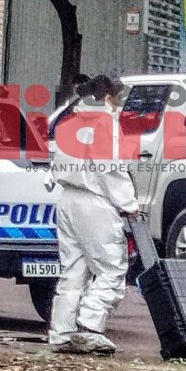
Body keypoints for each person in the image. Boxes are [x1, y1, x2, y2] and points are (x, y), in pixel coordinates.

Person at [47, 74, 138, 355]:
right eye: (119, 98)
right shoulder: (104, 122)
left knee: (73, 270)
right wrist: (129, 204)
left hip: (68, 199)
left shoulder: (70, 120)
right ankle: (89, 326)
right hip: (95, 202)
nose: (120, 105)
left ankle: (61, 332)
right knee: (112, 269)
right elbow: (110, 168)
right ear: (108, 97)